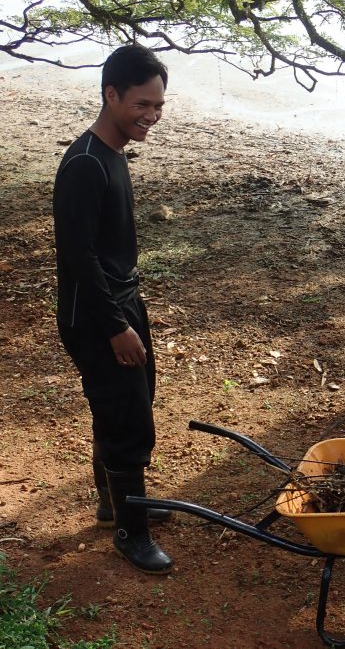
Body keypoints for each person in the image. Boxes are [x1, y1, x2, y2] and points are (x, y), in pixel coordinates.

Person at [53, 44, 173, 575]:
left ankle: (115, 503)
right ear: (111, 94)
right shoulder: (83, 164)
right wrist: (117, 327)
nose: (150, 116)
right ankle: (132, 531)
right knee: (126, 418)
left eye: (159, 107)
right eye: (141, 105)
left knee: (131, 403)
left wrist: (130, 311)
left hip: (121, 301)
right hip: (96, 316)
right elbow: (77, 259)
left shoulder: (113, 152)